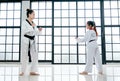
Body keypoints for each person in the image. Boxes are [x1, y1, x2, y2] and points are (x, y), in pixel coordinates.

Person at [20, 9, 42, 76]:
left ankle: (33, 71)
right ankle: (23, 71)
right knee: (24, 56)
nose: (34, 15)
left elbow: (35, 32)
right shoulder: (24, 22)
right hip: (26, 40)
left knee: (35, 56)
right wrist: (31, 27)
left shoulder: (33, 23)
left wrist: (39, 30)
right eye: (33, 14)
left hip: (33, 40)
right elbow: (24, 31)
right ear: (29, 14)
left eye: (34, 14)